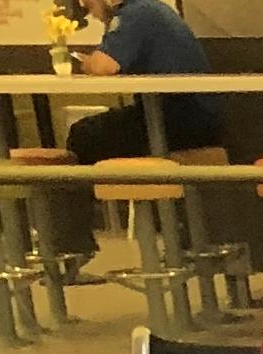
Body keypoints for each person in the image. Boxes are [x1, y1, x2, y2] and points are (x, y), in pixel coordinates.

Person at [47, 0, 224, 277]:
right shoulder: (152, 10)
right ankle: (73, 245)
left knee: (84, 136)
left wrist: (89, 60)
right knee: (94, 133)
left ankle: (71, 247)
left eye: (90, 4)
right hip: (196, 118)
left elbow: (105, 65)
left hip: (180, 119)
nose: (89, 11)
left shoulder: (134, 14)